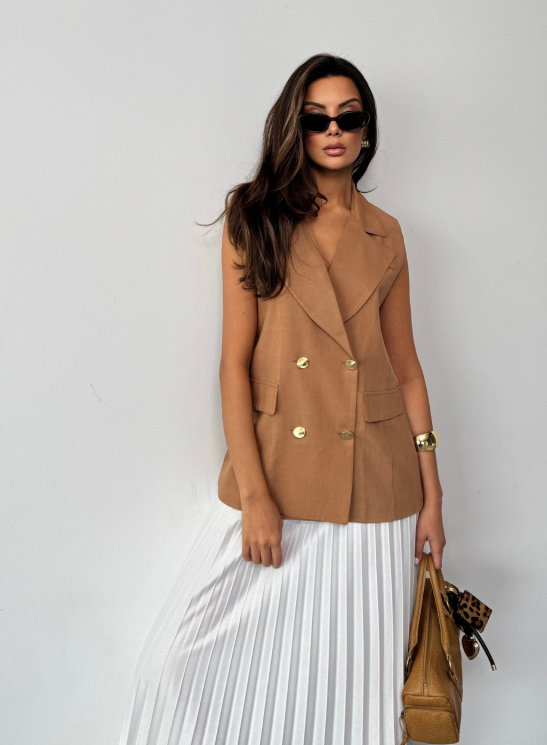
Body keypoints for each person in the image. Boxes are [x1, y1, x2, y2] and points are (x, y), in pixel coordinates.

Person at [120, 54, 446, 745]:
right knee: (172, 665)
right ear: (295, 128)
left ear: (367, 129)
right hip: (278, 474)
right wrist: (256, 497)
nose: (334, 131)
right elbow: (233, 367)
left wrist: (434, 496)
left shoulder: (386, 233)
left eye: (348, 117)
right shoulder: (254, 215)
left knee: (355, 684)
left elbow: (408, 369)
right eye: (317, 119)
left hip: (375, 487)